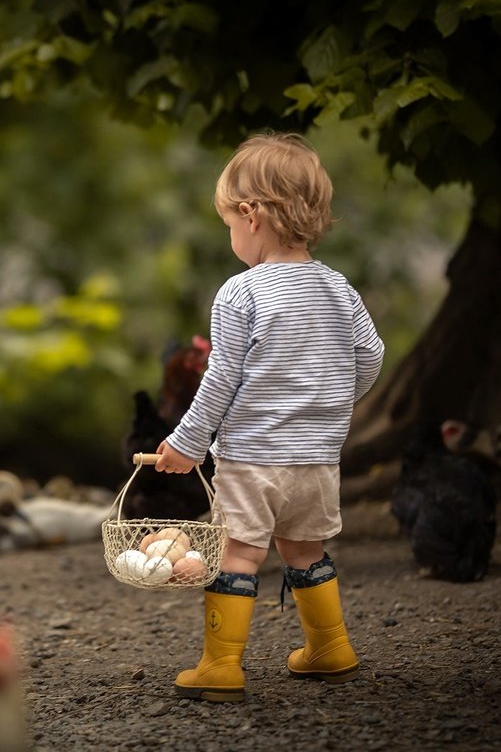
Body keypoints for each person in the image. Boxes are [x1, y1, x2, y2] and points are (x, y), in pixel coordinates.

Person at [154, 131, 384, 701]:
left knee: (236, 552)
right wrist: (331, 406)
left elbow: (221, 380)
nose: (231, 234)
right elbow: (370, 354)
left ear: (252, 215)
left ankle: (221, 666)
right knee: (305, 549)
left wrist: (187, 443)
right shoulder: (338, 287)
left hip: (254, 458)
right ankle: (330, 647)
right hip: (316, 458)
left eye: (230, 223)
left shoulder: (241, 294)